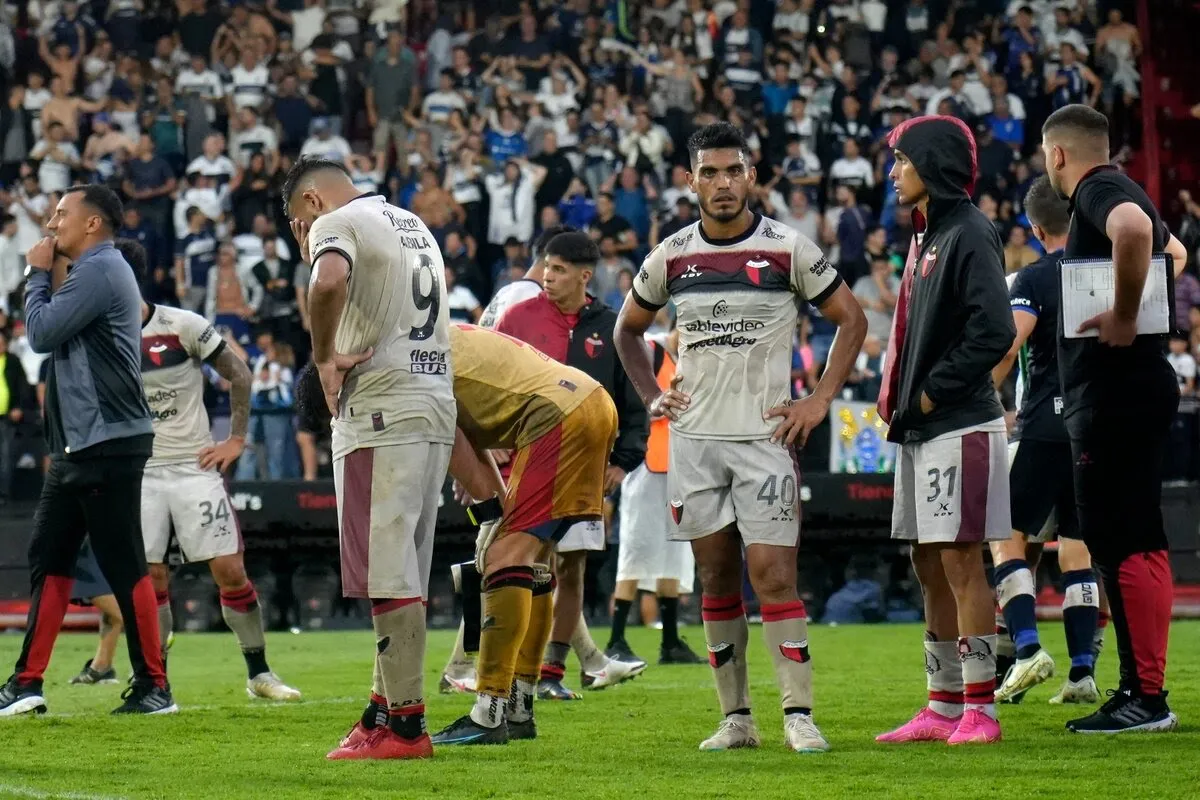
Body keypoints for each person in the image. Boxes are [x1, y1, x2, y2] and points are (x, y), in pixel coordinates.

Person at [615, 122, 867, 753]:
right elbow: (628, 331)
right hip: (695, 441)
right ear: (689, 180)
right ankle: (737, 719)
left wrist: (821, 398)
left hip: (765, 439)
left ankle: (798, 713)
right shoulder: (670, 255)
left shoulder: (788, 248)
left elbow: (852, 319)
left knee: (773, 576)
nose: (723, 184)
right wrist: (652, 397)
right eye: (710, 172)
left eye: (733, 171)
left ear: (751, 175)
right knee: (715, 578)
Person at [301, 323, 616, 746]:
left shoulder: (391, 370)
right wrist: (493, 508)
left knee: (505, 558)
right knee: (526, 560)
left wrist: (489, 512)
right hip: (581, 401)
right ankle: (519, 706)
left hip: (557, 414)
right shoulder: (415, 342)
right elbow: (456, 422)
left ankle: (489, 713)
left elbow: (442, 424)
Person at [283, 157, 456, 760]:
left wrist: (324, 356)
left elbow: (327, 281)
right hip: (435, 401)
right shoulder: (411, 221)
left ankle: (406, 727)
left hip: (382, 405)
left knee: (386, 569)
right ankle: (382, 710)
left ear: (309, 201)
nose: (299, 238)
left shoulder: (336, 221)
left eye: (294, 224)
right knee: (406, 563)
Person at [1041, 104, 1189, 734]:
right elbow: (1172, 250)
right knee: (1141, 539)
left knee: (1119, 541)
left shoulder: (1099, 191)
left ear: (1057, 156)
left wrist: (1124, 314)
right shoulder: (1127, 188)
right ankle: (1147, 687)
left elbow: (1132, 231)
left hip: (1113, 395)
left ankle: (1144, 697)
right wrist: (1133, 299)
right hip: (1139, 388)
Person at [0, 185, 173, 716]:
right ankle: (27, 682)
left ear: (93, 224)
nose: (51, 224)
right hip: (84, 444)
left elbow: (41, 333)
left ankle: (154, 686)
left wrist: (34, 274)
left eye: (60, 215)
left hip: (108, 441)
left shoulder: (101, 268)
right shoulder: (92, 270)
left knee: (122, 562)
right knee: (49, 557)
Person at [875, 116, 1015, 747]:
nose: (893, 171)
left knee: (961, 559)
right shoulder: (928, 234)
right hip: (922, 428)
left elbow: (994, 330)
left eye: (901, 159)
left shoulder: (970, 231)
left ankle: (980, 709)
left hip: (957, 422)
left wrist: (928, 395)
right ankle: (940, 703)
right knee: (927, 560)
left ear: (930, 165)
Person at [124, 235, 301, 701]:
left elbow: (238, 372)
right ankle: (155, 683)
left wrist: (237, 439)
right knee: (151, 577)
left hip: (192, 465)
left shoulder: (181, 325)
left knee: (228, 568)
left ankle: (259, 673)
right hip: (139, 473)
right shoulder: (102, 335)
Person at [495, 232, 650, 700]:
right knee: (524, 565)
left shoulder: (612, 327)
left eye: (558, 270)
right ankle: (512, 671)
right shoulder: (516, 318)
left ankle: (551, 672)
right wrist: (490, 444)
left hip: (584, 468)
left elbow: (633, 402)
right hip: (525, 465)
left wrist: (623, 463)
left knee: (571, 570)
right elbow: (489, 381)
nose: (546, 276)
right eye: (546, 266)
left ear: (585, 276)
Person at [989, 177, 1106, 705]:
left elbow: (1010, 346)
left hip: (1043, 425)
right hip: (1096, 428)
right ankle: (1083, 673)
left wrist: (980, 395)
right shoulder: (1103, 275)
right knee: (1077, 550)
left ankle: (1028, 647)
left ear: (1035, 228)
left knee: (1006, 539)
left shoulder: (1031, 279)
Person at [606, 320, 703, 666]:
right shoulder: (649, 349)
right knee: (636, 549)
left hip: (681, 466)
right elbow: (628, 397)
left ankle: (671, 641)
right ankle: (616, 637)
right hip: (647, 464)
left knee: (675, 553)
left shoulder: (695, 358)